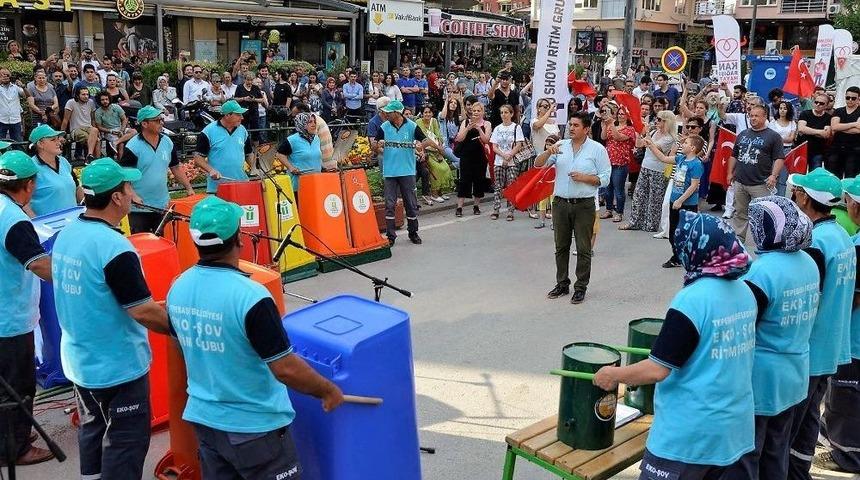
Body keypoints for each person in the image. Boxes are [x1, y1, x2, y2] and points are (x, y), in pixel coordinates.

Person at [165, 195, 343, 478]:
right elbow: (285, 368)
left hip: (206, 421)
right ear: (238, 239)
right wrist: (327, 390)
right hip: (254, 428)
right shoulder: (251, 296)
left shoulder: (178, 287)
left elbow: (183, 347)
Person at [593, 212, 756, 479]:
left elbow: (657, 369)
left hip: (688, 438)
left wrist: (613, 374)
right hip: (733, 430)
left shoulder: (692, 301)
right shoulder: (746, 292)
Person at [52, 158, 170, 479]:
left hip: (80, 362)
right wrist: (182, 328)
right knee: (124, 444)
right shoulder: (114, 247)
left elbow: (97, 291)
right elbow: (142, 311)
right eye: (128, 187)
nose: (132, 193)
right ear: (117, 197)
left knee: (92, 430)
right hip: (117, 367)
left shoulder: (69, 233)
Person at [720, 196, 819, 480]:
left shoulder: (763, 271)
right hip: (795, 373)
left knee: (747, 455)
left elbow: (745, 323)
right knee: (777, 451)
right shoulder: (808, 261)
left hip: (761, 380)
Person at [787, 168, 855, 480]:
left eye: (798, 192)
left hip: (811, 349)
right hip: (832, 347)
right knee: (810, 417)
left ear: (805, 198)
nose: (794, 196)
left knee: (794, 422)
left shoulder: (817, 242)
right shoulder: (841, 236)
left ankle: (793, 473)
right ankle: (801, 471)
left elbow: (809, 296)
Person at [0, 150, 54, 467]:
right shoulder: (14, 219)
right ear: (29, 185)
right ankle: (15, 447)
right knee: (18, 385)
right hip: (9, 317)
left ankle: (10, 433)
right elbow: (39, 265)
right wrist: (78, 275)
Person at [534, 112, 611, 304]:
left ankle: (580, 287)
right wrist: (548, 152)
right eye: (570, 124)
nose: (571, 128)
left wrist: (586, 178)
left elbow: (605, 178)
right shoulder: (560, 146)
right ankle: (562, 283)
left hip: (584, 204)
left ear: (586, 129)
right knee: (561, 246)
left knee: (583, 248)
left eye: (576, 125)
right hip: (560, 203)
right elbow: (538, 165)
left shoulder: (597, 149)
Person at [818, 176, 860, 473]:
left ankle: (847, 456)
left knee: (847, 398)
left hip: (854, 338)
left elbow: (854, 296)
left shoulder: (857, 245)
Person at [120, 106, 195, 233]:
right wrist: (133, 196)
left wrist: (189, 188)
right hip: (139, 208)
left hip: (163, 206)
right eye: (156, 120)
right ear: (144, 124)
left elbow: (175, 167)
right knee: (142, 242)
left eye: (161, 119)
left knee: (164, 240)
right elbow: (124, 177)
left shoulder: (167, 142)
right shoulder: (133, 147)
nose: (161, 123)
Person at [373, 100, 434, 245]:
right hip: (390, 172)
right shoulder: (384, 127)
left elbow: (426, 141)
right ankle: (390, 236)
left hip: (407, 171)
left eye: (389, 112)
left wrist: (420, 145)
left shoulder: (412, 126)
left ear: (397, 113)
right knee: (389, 205)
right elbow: (374, 146)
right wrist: (377, 146)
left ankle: (413, 232)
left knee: (410, 204)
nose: (386, 114)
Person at [728, 105, 785, 242]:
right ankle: (738, 242)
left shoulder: (774, 136)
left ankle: (765, 243)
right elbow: (734, 155)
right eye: (751, 116)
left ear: (765, 117)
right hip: (740, 182)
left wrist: (773, 175)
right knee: (739, 213)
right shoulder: (743, 134)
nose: (753, 118)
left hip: (761, 184)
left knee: (763, 215)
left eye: (756, 116)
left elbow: (779, 158)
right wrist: (730, 173)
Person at [621, 110, 678, 232]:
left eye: (659, 119)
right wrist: (639, 132)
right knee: (639, 195)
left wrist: (646, 132)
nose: (656, 121)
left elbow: (654, 147)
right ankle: (635, 222)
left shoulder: (670, 138)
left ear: (666, 122)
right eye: (656, 119)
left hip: (659, 170)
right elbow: (639, 144)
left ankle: (651, 224)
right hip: (645, 167)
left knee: (655, 198)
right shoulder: (653, 132)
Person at [193, 100, 254, 194]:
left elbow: (248, 154)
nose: (242, 118)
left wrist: (257, 169)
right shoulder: (208, 131)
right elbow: (198, 158)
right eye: (238, 115)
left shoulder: (242, 130)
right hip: (217, 188)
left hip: (241, 184)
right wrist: (211, 170)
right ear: (227, 115)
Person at [27, 124, 82, 217]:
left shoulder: (64, 161)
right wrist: (36, 222)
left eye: (58, 139)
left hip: (73, 220)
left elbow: (77, 187)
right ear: (40, 144)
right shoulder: (31, 167)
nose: (59, 143)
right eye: (53, 140)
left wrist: (86, 207)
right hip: (48, 223)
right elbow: (24, 202)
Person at [454, 102, 492, 218]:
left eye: (478, 111)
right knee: (464, 180)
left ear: (482, 112)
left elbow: (486, 140)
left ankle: (476, 206)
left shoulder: (487, 124)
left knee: (479, 180)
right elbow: (459, 138)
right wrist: (468, 128)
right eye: (474, 110)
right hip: (466, 155)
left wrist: (479, 129)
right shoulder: (465, 122)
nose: (476, 113)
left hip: (480, 156)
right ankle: (459, 207)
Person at [599, 104, 636, 223]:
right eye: (619, 113)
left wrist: (611, 124)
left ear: (627, 116)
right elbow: (603, 137)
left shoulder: (630, 129)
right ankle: (609, 210)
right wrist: (605, 125)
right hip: (608, 161)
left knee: (618, 190)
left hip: (620, 163)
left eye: (623, 114)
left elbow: (617, 137)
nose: (620, 116)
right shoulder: (612, 125)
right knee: (607, 188)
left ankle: (619, 212)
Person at [531, 98, 562, 229]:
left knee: (554, 193)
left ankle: (554, 221)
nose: (544, 108)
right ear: (538, 108)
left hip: (555, 160)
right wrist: (550, 110)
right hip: (541, 159)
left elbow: (559, 140)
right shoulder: (534, 121)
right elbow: (538, 125)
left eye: (547, 106)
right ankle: (541, 219)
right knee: (542, 193)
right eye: (542, 106)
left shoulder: (554, 123)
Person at [489, 104, 524, 221]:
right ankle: (496, 209)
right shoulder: (497, 128)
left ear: (511, 114)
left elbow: (519, 144)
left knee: (511, 185)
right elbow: (494, 146)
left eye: (506, 112)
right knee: (498, 186)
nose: (503, 115)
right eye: (502, 113)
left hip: (512, 161)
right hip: (499, 161)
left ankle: (510, 210)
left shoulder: (516, 127)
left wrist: (510, 155)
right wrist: (503, 155)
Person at [415, 105, 454, 203]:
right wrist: (436, 147)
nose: (427, 114)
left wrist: (440, 150)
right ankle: (434, 194)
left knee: (445, 168)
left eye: (429, 112)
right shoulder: (418, 122)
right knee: (437, 169)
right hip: (425, 151)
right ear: (422, 114)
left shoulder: (434, 121)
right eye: (425, 112)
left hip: (436, 150)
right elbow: (422, 140)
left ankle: (440, 192)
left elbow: (438, 135)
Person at [276, 112, 322, 192]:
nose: (314, 124)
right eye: (310, 122)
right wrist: (291, 167)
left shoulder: (317, 138)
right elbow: (279, 154)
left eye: (315, 122)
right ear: (301, 124)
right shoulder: (292, 140)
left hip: (316, 182)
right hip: (299, 184)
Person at [828, 86, 860, 179]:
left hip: (854, 150)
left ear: (858, 99)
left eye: (853, 98)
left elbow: (858, 130)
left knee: (850, 178)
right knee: (834, 177)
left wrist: (840, 127)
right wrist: (854, 124)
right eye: (847, 97)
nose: (850, 100)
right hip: (837, 148)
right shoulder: (839, 111)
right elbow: (834, 127)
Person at [61, 85, 101, 160]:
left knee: (95, 130)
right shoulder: (71, 102)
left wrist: (97, 131)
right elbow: (65, 120)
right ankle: (93, 159)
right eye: (83, 94)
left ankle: (91, 156)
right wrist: (61, 135)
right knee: (95, 140)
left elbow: (93, 119)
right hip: (76, 129)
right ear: (77, 95)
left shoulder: (91, 102)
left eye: (87, 94)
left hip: (89, 127)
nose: (86, 96)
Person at [797, 93, 833, 172]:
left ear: (826, 106)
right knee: (799, 175)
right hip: (802, 150)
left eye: (821, 103)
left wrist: (808, 130)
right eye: (816, 102)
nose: (818, 104)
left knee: (814, 176)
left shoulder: (829, 118)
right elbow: (801, 129)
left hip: (818, 151)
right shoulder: (805, 113)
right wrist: (819, 132)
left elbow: (826, 134)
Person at [94, 91, 134, 158]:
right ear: (99, 101)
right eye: (102, 100)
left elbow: (124, 119)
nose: (105, 101)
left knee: (134, 131)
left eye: (106, 99)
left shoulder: (116, 107)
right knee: (121, 144)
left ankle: (115, 143)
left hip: (120, 128)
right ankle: (120, 161)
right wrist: (111, 131)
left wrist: (121, 130)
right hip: (109, 131)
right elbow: (99, 127)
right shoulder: (98, 112)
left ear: (109, 99)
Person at [769, 101, 797, 195]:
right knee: (772, 176)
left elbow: (791, 139)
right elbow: (771, 138)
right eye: (780, 108)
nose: (782, 110)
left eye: (785, 108)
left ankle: (781, 198)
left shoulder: (792, 123)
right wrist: (783, 139)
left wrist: (778, 138)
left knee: (782, 179)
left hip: (787, 151)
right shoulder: (773, 122)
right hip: (773, 151)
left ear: (788, 110)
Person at [0, 68, 26, 143]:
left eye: (7, 75)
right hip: (1, 119)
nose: (5, 76)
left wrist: (23, 86)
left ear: (10, 76)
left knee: (17, 143)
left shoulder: (16, 87)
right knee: (1, 144)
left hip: (15, 119)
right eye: (2, 75)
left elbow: (26, 95)